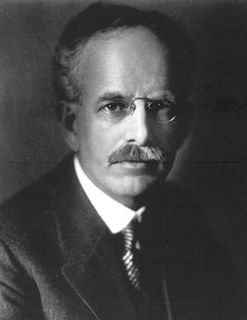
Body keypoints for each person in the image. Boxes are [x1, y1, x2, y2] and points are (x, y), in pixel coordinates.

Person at [0, 2, 244, 320]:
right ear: (72, 124)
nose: (141, 135)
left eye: (160, 106)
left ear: (184, 124)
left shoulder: (185, 216)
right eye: (115, 106)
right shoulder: (11, 252)